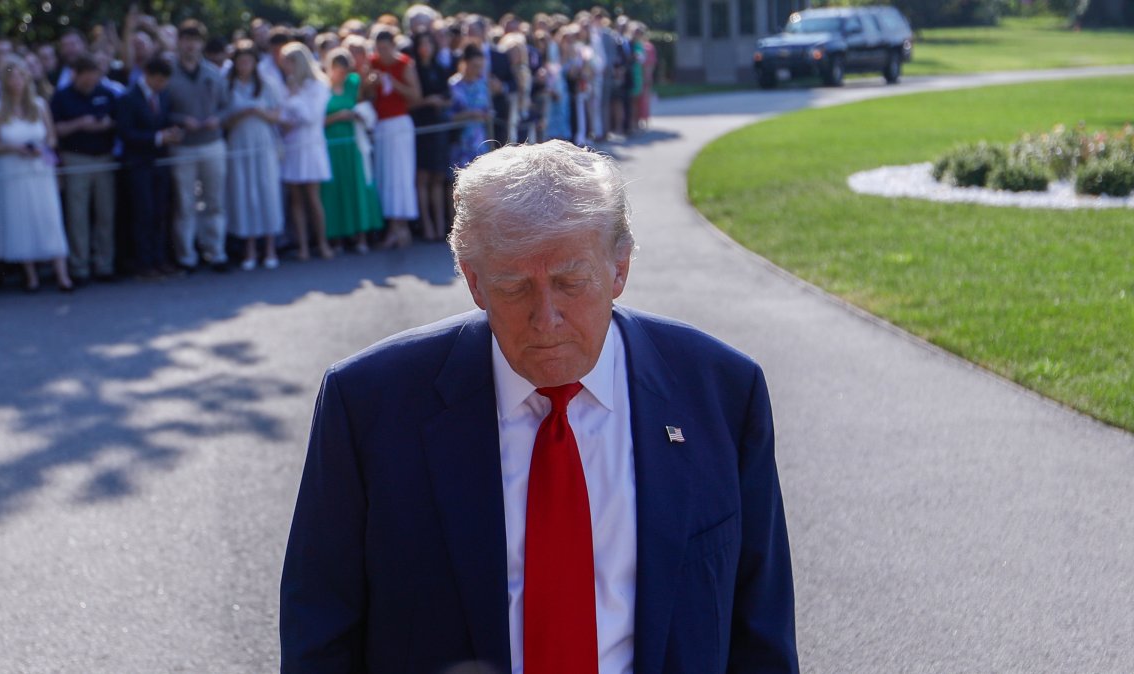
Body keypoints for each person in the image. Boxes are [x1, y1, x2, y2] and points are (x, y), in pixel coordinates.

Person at [280, 140, 799, 673]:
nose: (546, 317)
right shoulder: (369, 404)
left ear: (619, 267)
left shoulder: (721, 391)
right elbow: (320, 626)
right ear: (474, 280)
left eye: (571, 282)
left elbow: (761, 625)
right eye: (513, 287)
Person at [0, 55, 73, 293]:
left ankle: (62, 275)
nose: (16, 82)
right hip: (12, 169)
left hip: (39, 169)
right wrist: (15, 148)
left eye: (19, 76)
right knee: (20, 218)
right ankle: (31, 276)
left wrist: (41, 147)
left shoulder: (39, 105)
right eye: (11, 77)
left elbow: (53, 137)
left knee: (48, 217)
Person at [167, 19, 231, 272]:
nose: (191, 45)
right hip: (182, 146)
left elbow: (227, 106)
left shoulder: (213, 74)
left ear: (201, 44)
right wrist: (182, 121)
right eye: (186, 39)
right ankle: (186, 256)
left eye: (195, 40)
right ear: (179, 42)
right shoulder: (169, 73)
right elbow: (162, 112)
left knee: (214, 201)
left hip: (212, 144)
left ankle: (215, 251)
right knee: (185, 204)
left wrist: (219, 119)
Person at [51, 55, 119, 284]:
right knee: (77, 216)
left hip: (104, 158)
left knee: (105, 214)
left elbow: (117, 121)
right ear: (76, 74)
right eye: (87, 74)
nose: (91, 79)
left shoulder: (106, 94)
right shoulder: (62, 97)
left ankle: (105, 265)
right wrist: (79, 124)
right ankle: (79, 267)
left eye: (95, 74)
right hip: (76, 160)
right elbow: (56, 130)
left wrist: (106, 124)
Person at [115, 55, 183, 279]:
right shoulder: (128, 98)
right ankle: (143, 263)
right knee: (143, 213)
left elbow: (164, 121)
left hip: (159, 164)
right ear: (149, 77)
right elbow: (126, 133)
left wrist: (172, 133)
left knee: (159, 212)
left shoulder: (163, 96)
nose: (162, 85)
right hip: (138, 165)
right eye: (159, 80)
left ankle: (159, 258)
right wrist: (157, 138)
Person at [223, 41, 284, 271]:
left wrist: (257, 111)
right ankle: (249, 249)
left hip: (262, 143)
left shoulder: (267, 85)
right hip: (239, 144)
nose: (244, 65)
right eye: (240, 61)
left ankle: (270, 248)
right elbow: (224, 120)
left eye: (248, 61)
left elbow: (276, 115)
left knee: (266, 190)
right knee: (243, 192)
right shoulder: (228, 86)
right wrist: (241, 114)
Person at [320, 48, 381, 255]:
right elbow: (317, 120)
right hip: (330, 146)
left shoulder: (354, 83)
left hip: (353, 144)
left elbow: (366, 105)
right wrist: (338, 116)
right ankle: (337, 238)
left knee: (356, 186)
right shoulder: (321, 88)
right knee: (334, 189)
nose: (341, 74)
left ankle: (361, 236)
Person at [366, 27, 421, 249]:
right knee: (385, 176)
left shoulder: (404, 64)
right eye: (379, 48)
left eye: (386, 48)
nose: (382, 52)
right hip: (381, 125)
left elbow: (416, 96)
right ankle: (394, 227)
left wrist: (393, 82)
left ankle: (400, 226)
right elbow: (367, 95)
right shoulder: (372, 64)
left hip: (399, 124)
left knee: (400, 175)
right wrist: (371, 83)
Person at [277, 41, 333, 261]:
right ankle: (303, 247)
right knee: (296, 199)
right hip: (292, 145)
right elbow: (283, 117)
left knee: (312, 196)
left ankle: (322, 243)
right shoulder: (289, 85)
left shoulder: (318, 86)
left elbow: (310, 117)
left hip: (310, 146)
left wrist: (293, 100)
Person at [409, 31, 451, 242]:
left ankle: (440, 224)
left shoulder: (440, 68)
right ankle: (426, 225)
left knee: (437, 176)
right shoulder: (414, 70)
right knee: (422, 177)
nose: (425, 47)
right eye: (421, 43)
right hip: (421, 125)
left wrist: (439, 102)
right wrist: (428, 101)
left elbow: (447, 97)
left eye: (428, 42)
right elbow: (411, 101)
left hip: (438, 125)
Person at [447, 43, 492, 170]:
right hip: (459, 141)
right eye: (474, 66)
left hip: (480, 141)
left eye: (480, 66)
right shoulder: (454, 85)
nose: (478, 70)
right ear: (465, 63)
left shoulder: (483, 84)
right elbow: (448, 115)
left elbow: (487, 108)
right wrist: (470, 114)